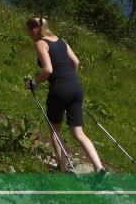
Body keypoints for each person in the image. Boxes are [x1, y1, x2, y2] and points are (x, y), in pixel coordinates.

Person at [24, 16, 106, 175]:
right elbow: (76, 62)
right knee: (78, 133)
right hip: (75, 87)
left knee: (55, 130)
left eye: (29, 32)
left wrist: (33, 83)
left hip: (59, 90)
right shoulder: (61, 41)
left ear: (34, 29)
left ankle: (63, 168)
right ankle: (99, 168)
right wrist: (69, 80)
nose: (30, 36)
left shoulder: (41, 43)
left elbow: (47, 69)